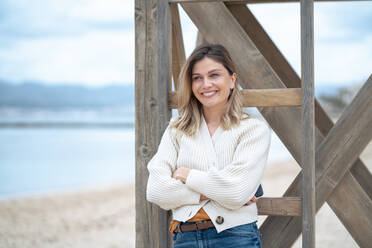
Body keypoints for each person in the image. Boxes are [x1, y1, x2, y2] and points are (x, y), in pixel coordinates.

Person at [146, 44, 271, 248]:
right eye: (197, 78)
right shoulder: (176, 129)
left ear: (232, 80)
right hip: (184, 238)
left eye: (214, 75)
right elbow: (156, 191)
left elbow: (236, 192)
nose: (206, 84)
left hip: (236, 238)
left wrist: (187, 176)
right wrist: (219, 188)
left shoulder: (253, 130)